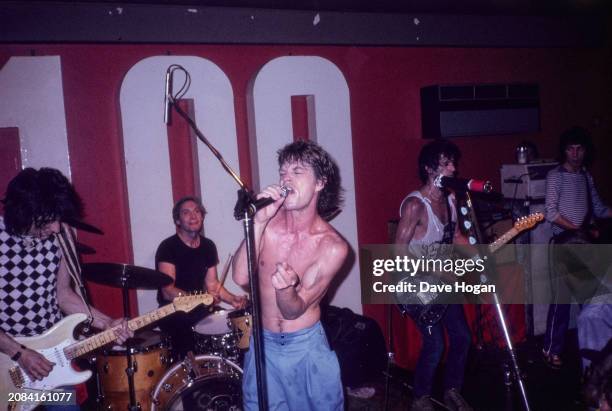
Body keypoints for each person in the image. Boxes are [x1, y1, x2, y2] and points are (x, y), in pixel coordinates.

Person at [0, 167, 131, 408]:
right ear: (24, 213)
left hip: (52, 362)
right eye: (49, 220)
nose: (57, 228)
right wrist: (19, 353)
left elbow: (63, 295)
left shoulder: (63, 237)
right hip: (7, 364)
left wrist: (107, 323)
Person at [232, 140, 347, 410]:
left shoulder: (332, 246)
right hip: (263, 342)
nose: (286, 178)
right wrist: (258, 223)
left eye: (297, 172)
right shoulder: (267, 223)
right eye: (283, 172)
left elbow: (294, 310)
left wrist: (286, 291)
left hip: (305, 347)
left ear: (320, 183)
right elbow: (240, 277)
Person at [394, 139, 473, 411]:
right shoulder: (415, 206)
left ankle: (452, 390)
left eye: (454, 163)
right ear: (429, 169)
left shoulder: (451, 199)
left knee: (462, 337)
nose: (454, 168)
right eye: (446, 164)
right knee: (436, 344)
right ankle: (420, 397)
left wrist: (480, 254)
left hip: (441, 282)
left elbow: (458, 237)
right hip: (415, 284)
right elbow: (398, 252)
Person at [543, 126, 611, 369]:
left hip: (585, 245)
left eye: (579, 148)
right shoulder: (555, 176)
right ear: (564, 150)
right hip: (564, 243)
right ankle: (551, 349)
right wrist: (577, 230)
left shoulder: (585, 176)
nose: (575, 153)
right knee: (561, 301)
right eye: (570, 149)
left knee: (590, 301)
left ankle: (594, 352)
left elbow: (600, 209)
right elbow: (551, 212)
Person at [156, 196, 246, 359]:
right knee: (185, 332)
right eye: (186, 212)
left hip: (200, 309)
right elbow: (167, 292)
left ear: (202, 217)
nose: (193, 216)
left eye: (197, 211)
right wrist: (202, 298)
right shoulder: (167, 247)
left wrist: (233, 299)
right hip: (173, 311)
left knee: (229, 322)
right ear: (177, 220)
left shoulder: (208, 246)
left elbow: (212, 285)